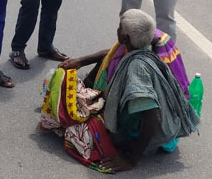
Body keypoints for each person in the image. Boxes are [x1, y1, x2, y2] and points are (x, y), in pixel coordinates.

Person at [51, 9, 199, 172]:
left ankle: (131, 146)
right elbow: (110, 53)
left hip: (152, 132)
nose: (117, 29)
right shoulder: (149, 44)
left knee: (76, 132)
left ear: (125, 38)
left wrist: (131, 159)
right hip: (168, 122)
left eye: (120, 27)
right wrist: (81, 61)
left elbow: (152, 115)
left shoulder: (137, 69)